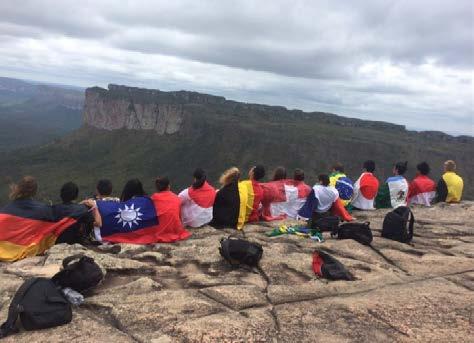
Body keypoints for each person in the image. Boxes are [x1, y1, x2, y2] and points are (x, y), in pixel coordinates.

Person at [0, 177, 86, 261]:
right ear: (34, 192)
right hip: (29, 247)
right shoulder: (43, 210)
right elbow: (66, 212)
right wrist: (82, 206)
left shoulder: (4, 211)